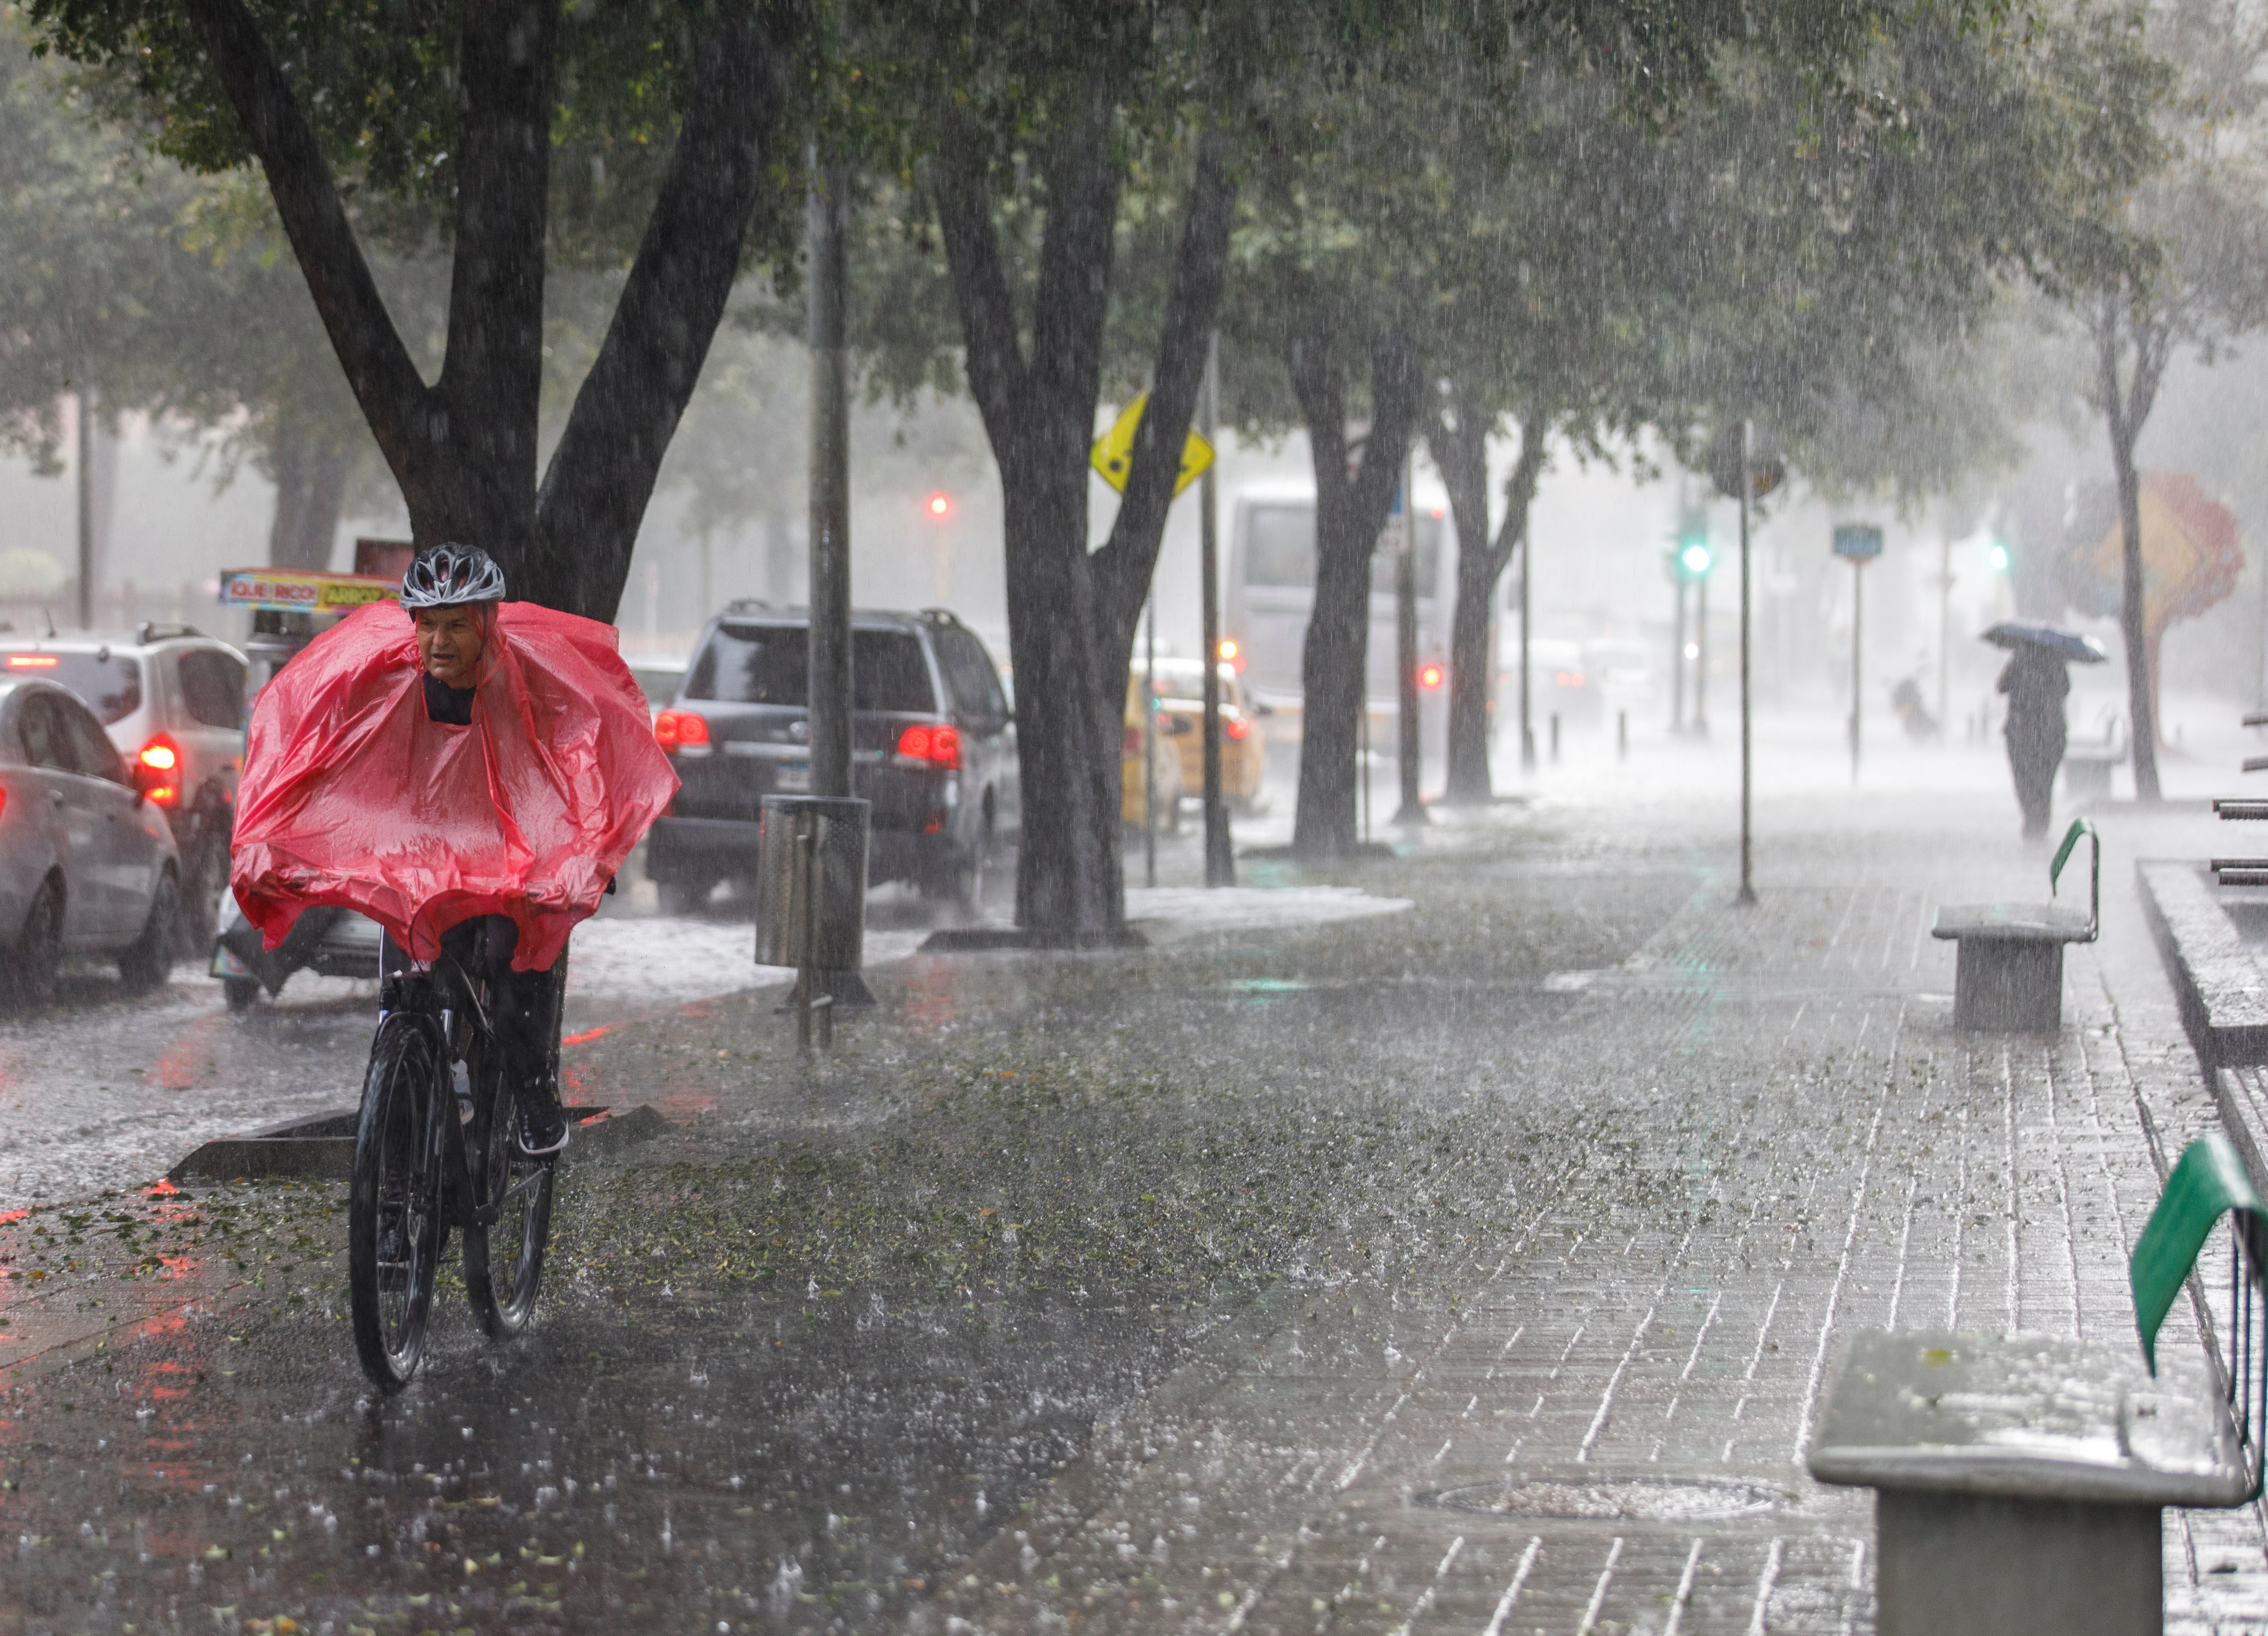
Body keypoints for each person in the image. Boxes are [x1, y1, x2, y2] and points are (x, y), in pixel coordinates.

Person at [395, 544, 573, 1155]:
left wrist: (577, 855)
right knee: (408, 978)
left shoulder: (527, 685)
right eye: (428, 625)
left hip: (512, 856)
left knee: (509, 960)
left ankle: (532, 1094)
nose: (439, 641)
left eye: (457, 626)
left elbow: (570, 771)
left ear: (488, 627)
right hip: (430, 854)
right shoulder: (394, 690)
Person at [1999, 644, 2070, 840]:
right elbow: (2066, 689)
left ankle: (2033, 818)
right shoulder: (2056, 660)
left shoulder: (2019, 659)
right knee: (2044, 781)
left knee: (2025, 779)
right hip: (2050, 733)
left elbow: (2001, 686)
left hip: (2022, 733)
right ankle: (2039, 820)